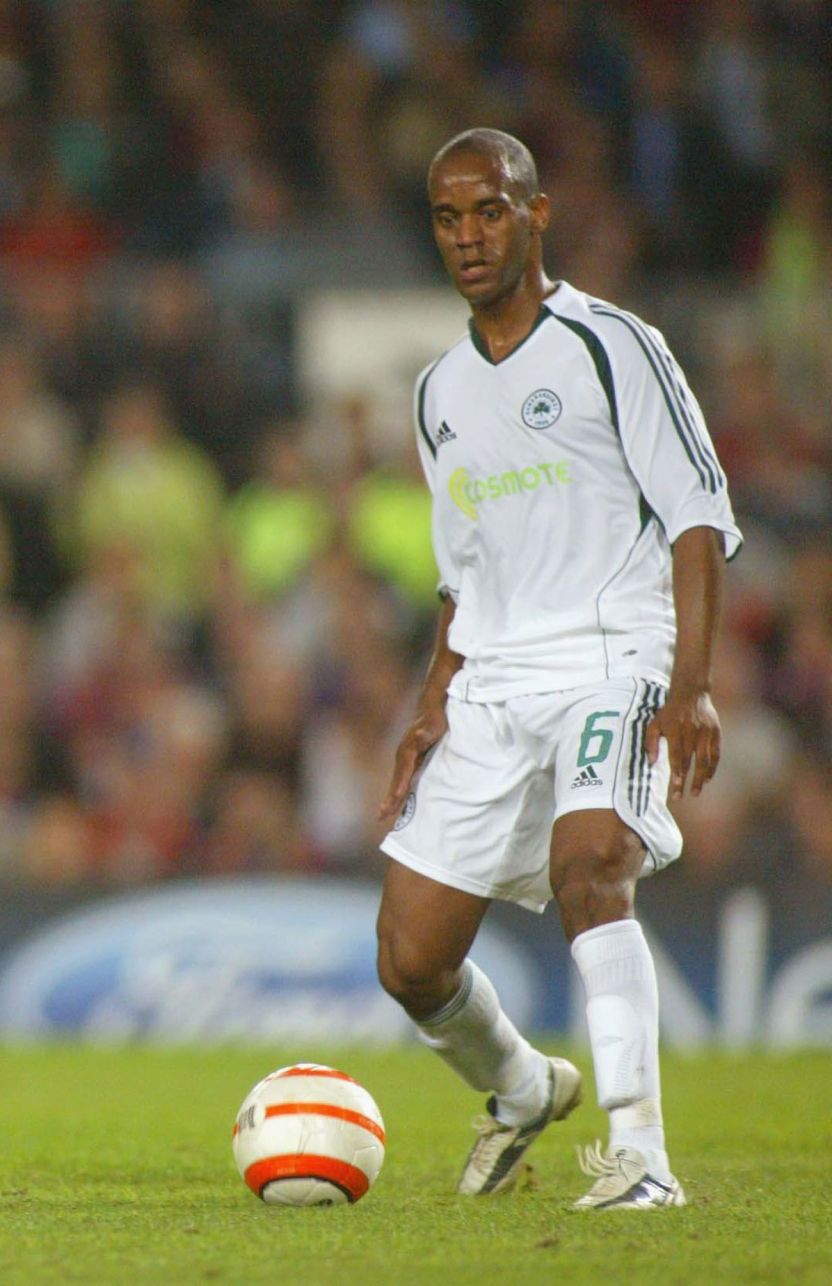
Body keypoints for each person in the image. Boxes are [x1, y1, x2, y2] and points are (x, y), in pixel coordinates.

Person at [375, 128, 739, 1211]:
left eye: (489, 209)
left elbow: (697, 515)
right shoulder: (438, 392)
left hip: (613, 653)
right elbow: (463, 574)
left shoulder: (612, 344)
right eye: (448, 217)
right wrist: (427, 707)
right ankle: (525, 1087)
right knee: (410, 959)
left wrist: (693, 682)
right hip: (492, 678)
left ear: (537, 213)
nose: (469, 235)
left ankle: (642, 1155)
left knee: (593, 866)